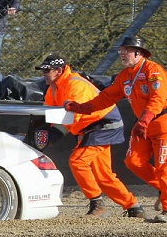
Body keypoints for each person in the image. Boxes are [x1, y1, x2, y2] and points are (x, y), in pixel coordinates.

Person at [64, 36, 167, 223]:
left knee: (163, 165)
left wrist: (144, 120)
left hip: (163, 121)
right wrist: (81, 108)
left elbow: (157, 98)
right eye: (121, 51)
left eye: (126, 51)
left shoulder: (153, 71)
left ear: (138, 53)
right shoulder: (124, 76)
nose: (122, 54)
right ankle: (166, 187)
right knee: (133, 161)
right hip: (143, 122)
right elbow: (106, 98)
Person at [34, 54, 145, 218]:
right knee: (104, 175)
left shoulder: (74, 84)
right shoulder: (53, 88)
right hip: (92, 127)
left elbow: (73, 115)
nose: (43, 74)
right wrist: (47, 131)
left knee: (78, 161)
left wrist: (53, 135)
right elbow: (51, 115)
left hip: (102, 124)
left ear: (58, 70)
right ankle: (134, 207)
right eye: (42, 70)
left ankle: (97, 203)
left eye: (46, 70)